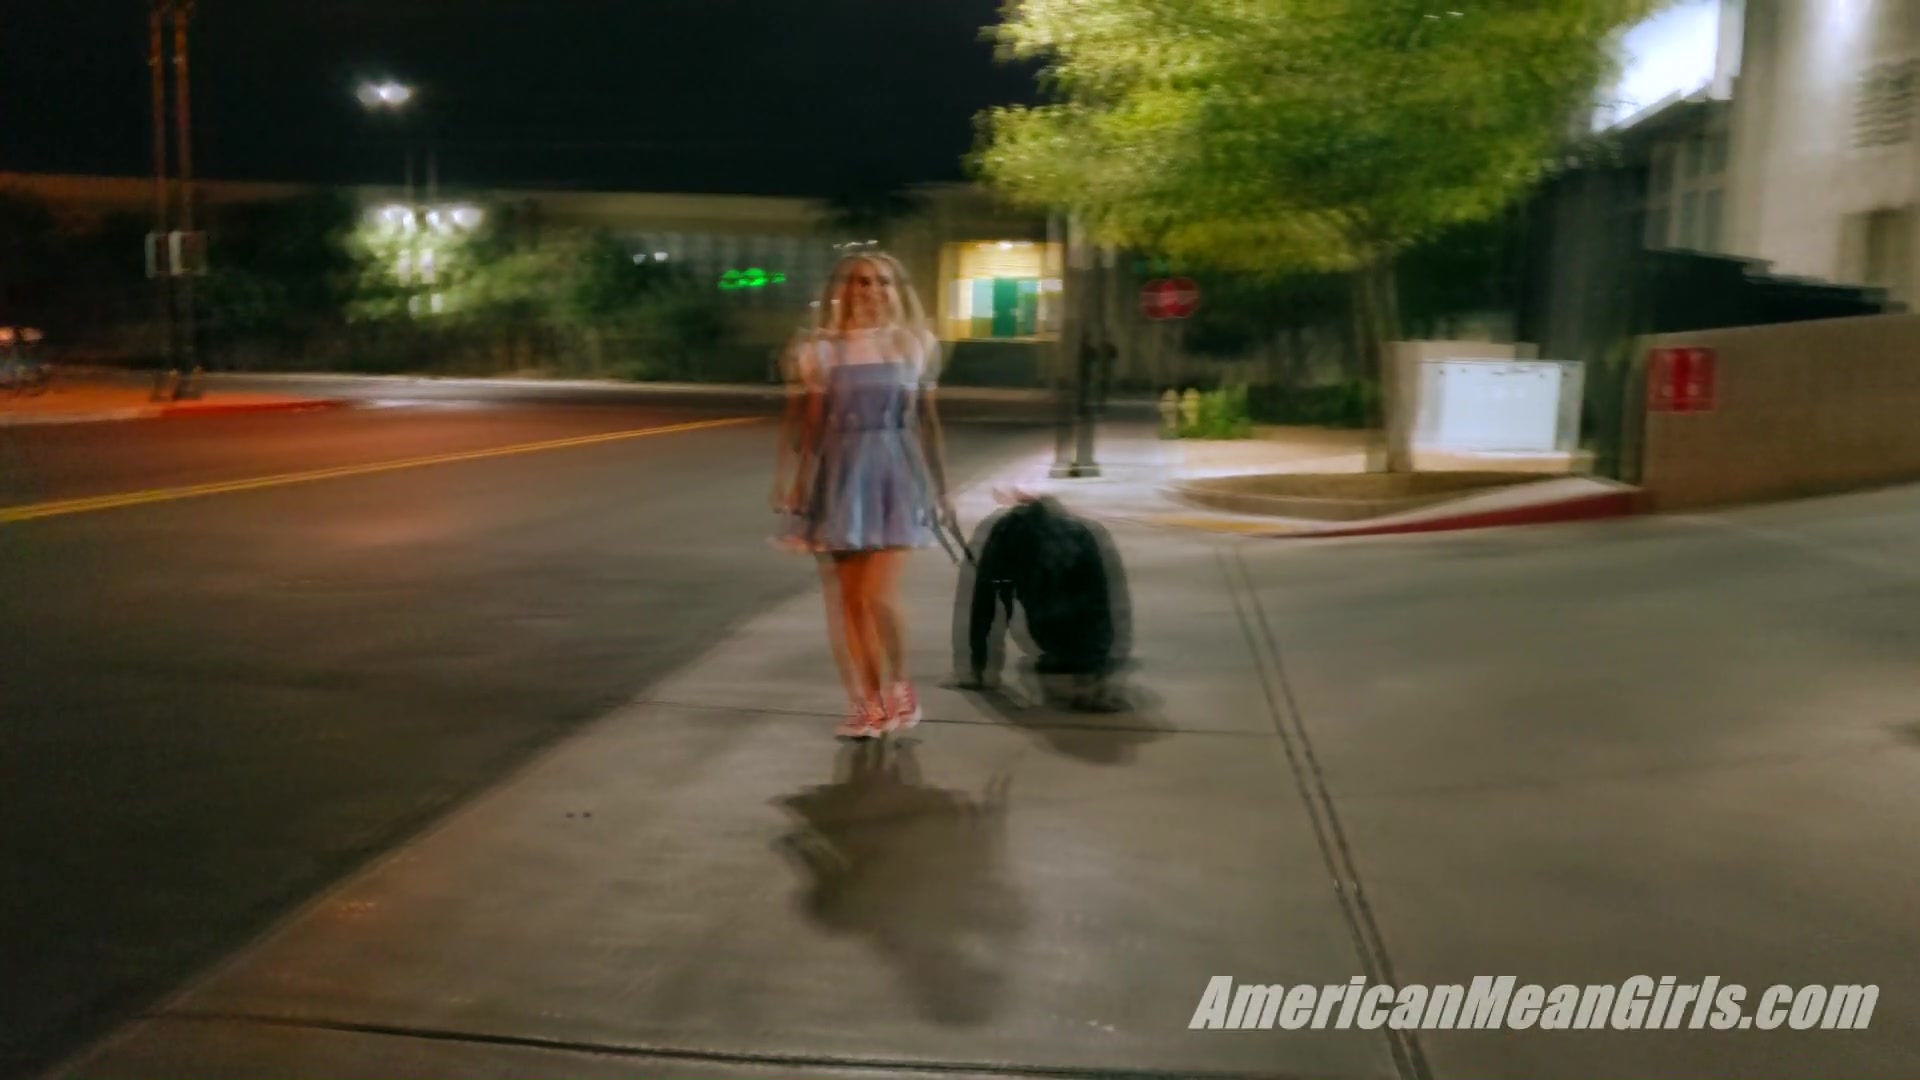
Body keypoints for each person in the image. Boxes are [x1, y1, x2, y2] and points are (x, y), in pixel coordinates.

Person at [772, 251, 955, 738]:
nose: (870, 290)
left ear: (895, 290)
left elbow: (926, 422)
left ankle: (899, 685)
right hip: (839, 476)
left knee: (876, 596)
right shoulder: (820, 351)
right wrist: (792, 480)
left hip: (895, 474)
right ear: (842, 289)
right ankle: (867, 704)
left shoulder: (912, 345)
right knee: (848, 600)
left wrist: (941, 488)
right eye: (860, 281)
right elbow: (808, 425)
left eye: (880, 281)